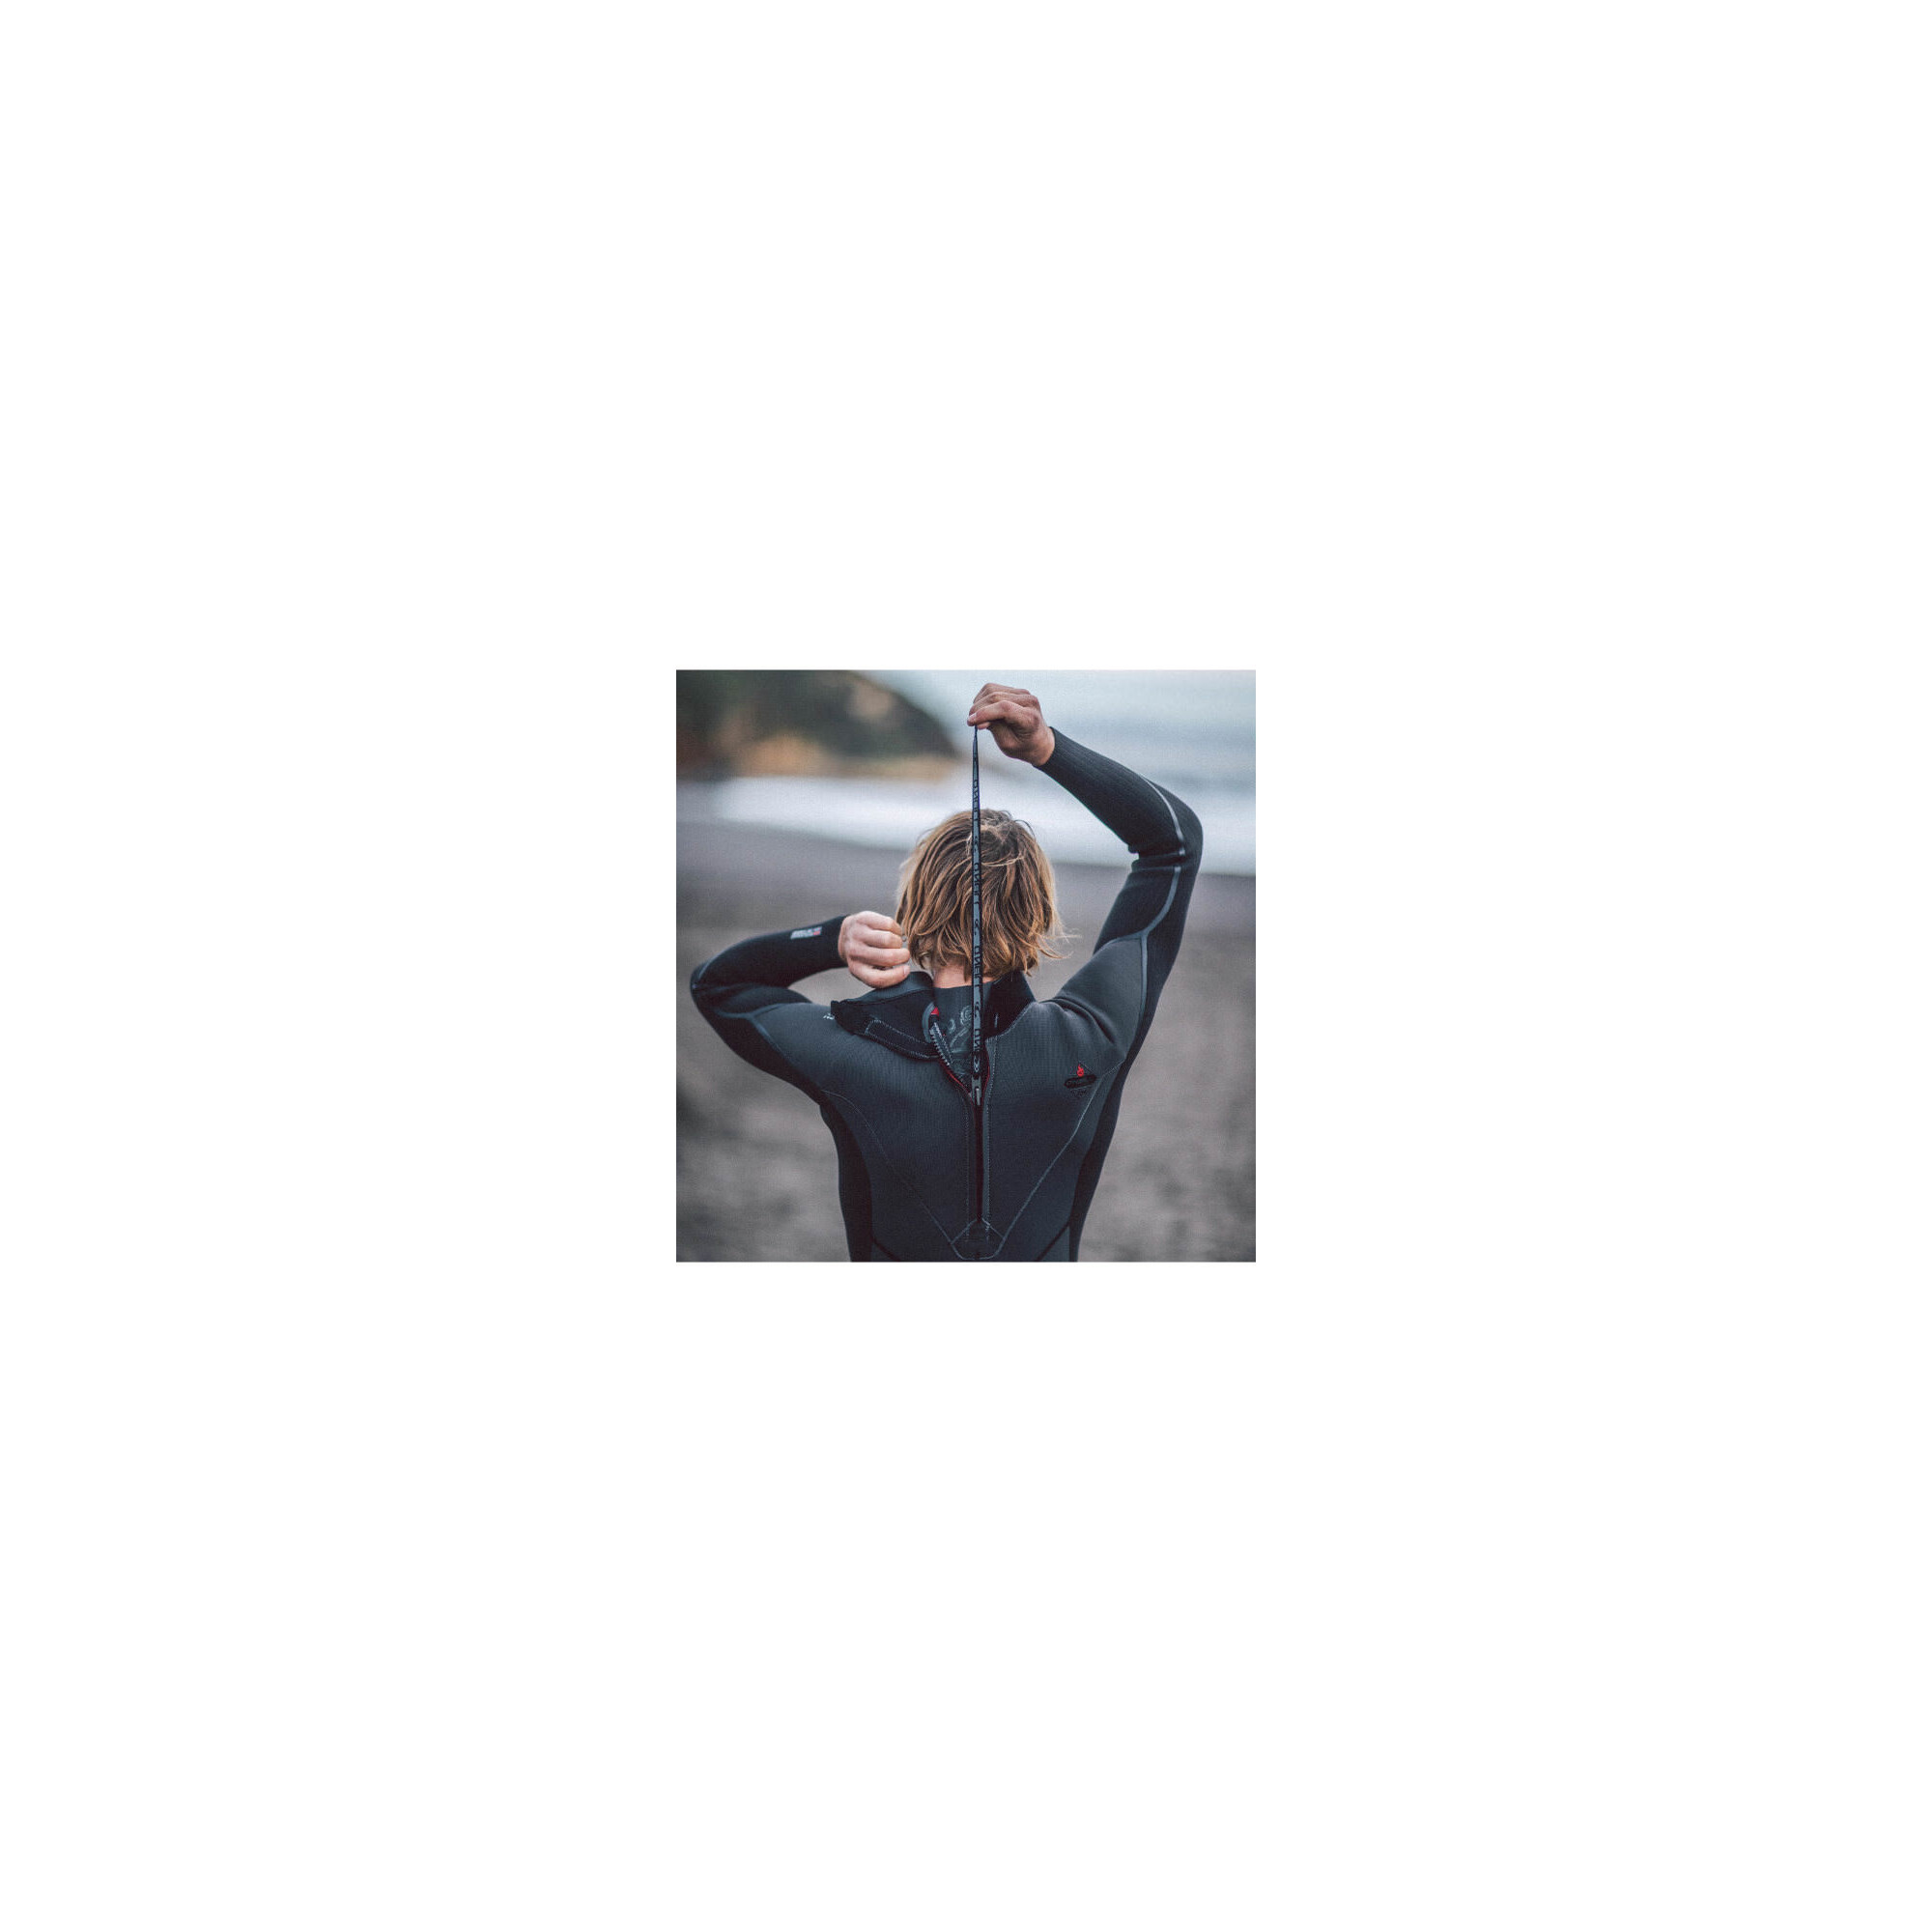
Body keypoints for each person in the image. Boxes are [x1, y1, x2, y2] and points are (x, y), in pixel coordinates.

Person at [688, 683, 1202, 1261]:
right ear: (1037, 914)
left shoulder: (850, 1050)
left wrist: (830, 940)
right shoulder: (1093, 1034)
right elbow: (1174, 845)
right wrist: (1046, 749)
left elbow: (718, 986)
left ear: (914, 909)